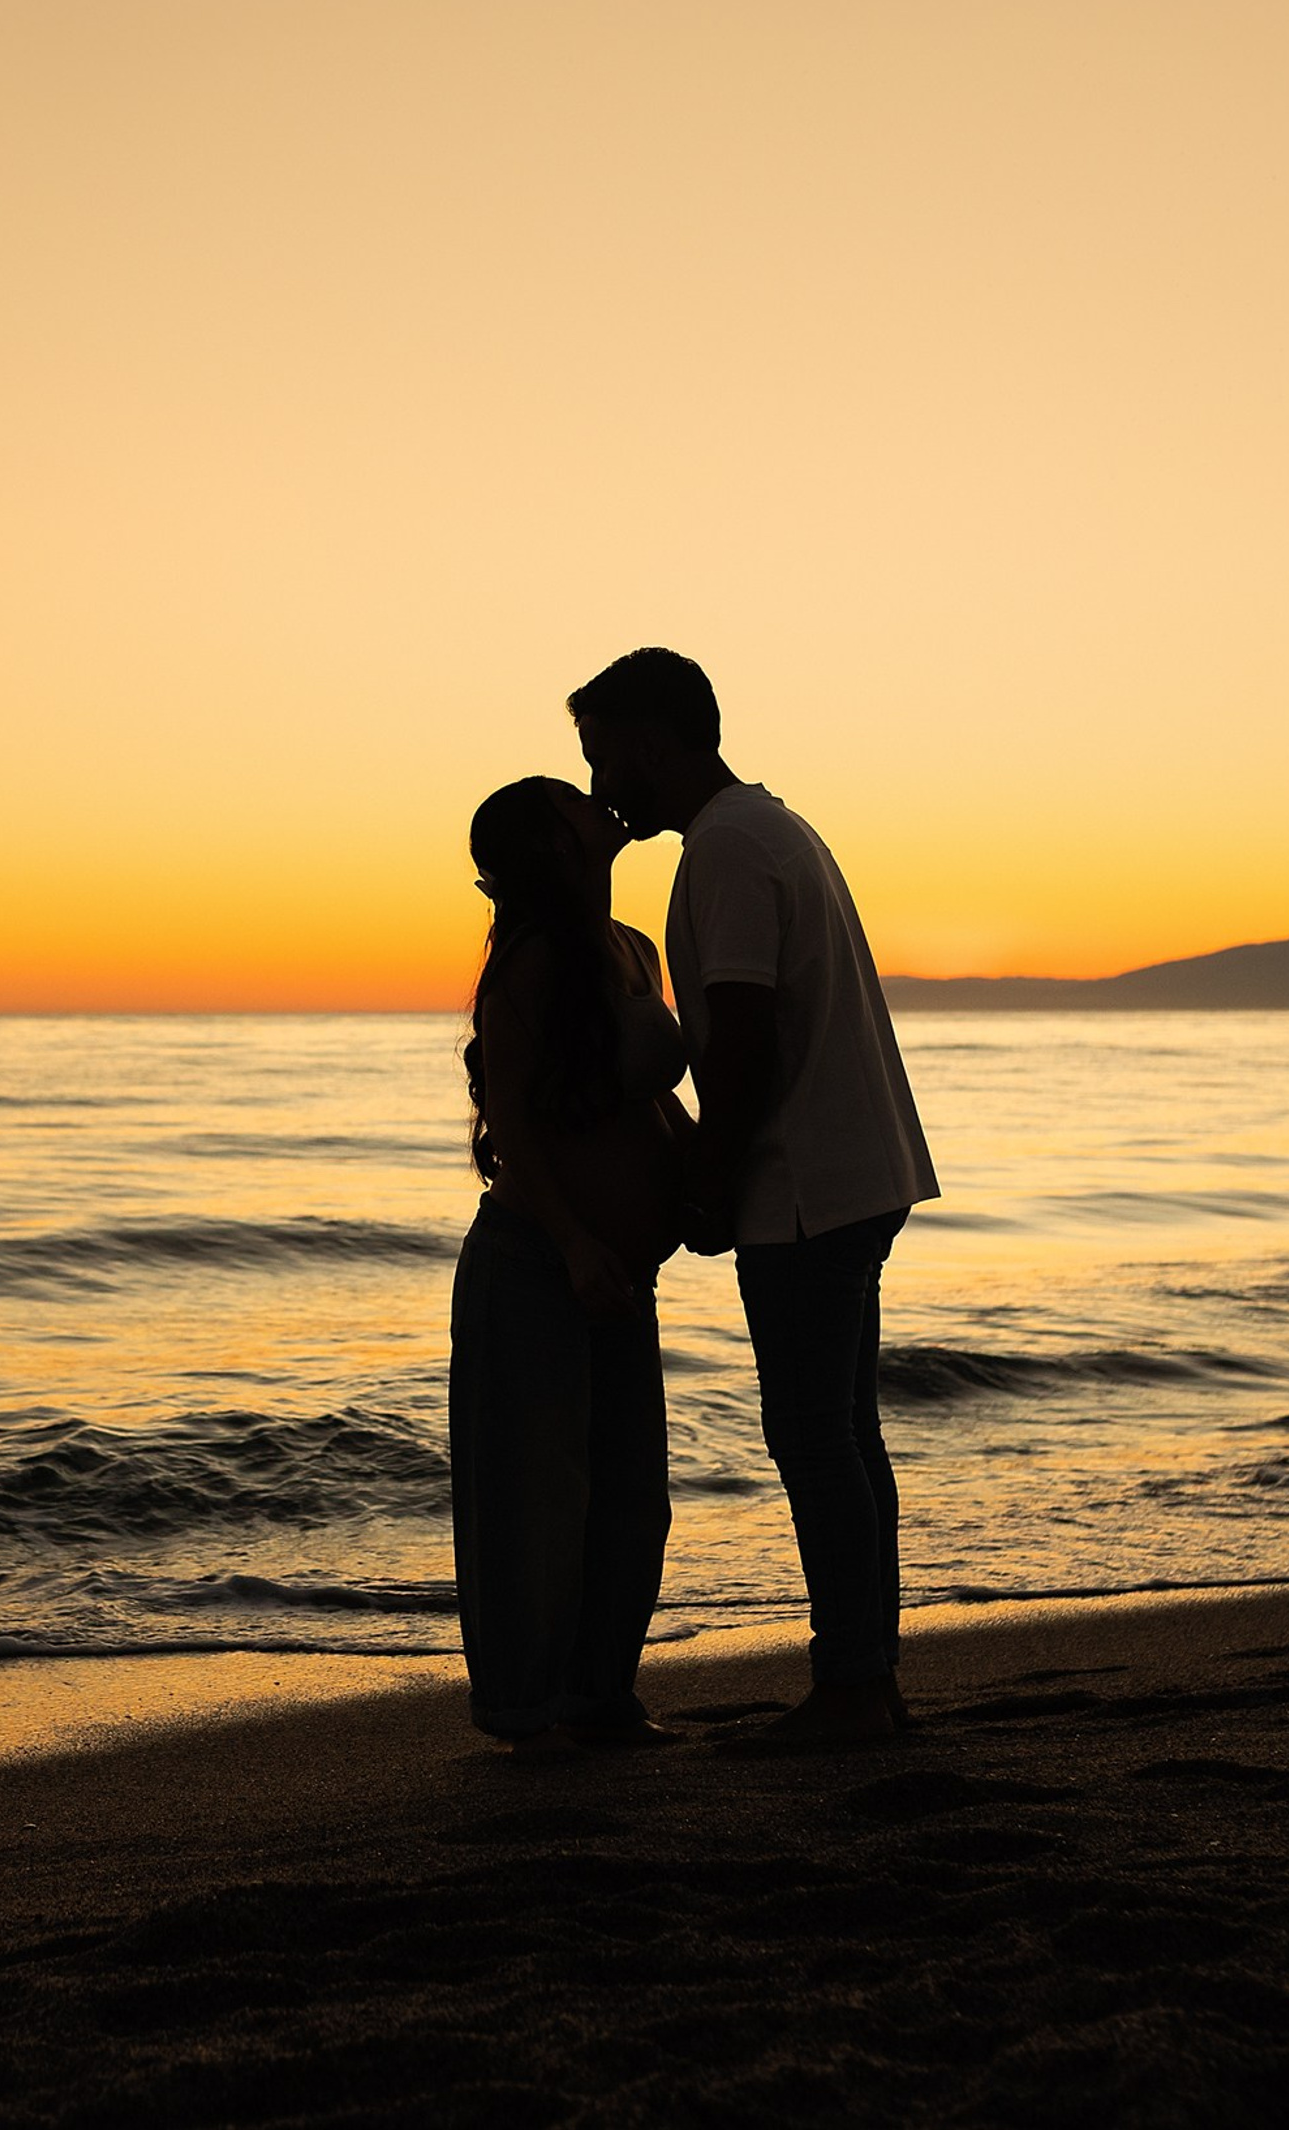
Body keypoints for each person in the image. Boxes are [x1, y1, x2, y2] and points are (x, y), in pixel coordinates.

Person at [571, 648, 940, 1753]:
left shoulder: (726, 850)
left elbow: (742, 1039)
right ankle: (868, 1677)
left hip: (808, 1187)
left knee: (815, 1439)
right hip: (856, 1169)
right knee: (846, 1435)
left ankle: (851, 1688)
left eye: (603, 760)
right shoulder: (770, 829)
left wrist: (708, 1180)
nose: (598, 788)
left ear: (650, 745)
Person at [450, 774, 699, 1750]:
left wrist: (702, 1182)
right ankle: (524, 1710)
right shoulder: (531, 960)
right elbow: (514, 1123)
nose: (598, 801)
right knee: (533, 1499)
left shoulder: (629, 945)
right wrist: (575, 1243)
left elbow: (649, 1102)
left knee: (632, 1496)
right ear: (553, 843)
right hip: (536, 1264)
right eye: (573, 800)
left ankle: (600, 1695)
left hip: (622, 1273)